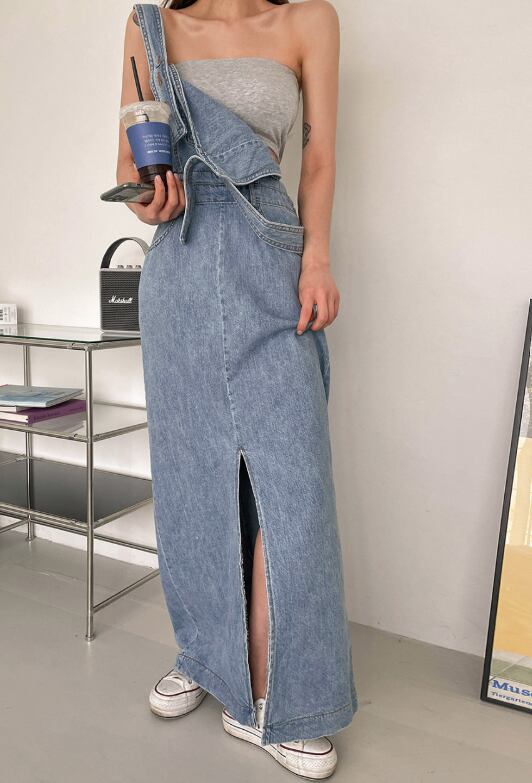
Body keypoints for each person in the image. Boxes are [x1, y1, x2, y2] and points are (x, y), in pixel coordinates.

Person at [116, 0, 358, 777]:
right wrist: (147, 195)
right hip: (181, 261)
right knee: (192, 474)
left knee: (293, 482)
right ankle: (206, 656)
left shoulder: (309, 21)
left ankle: (283, 695)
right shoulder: (149, 27)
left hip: (271, 251)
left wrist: (316, 259)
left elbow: (318, 156)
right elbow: (128, 171)